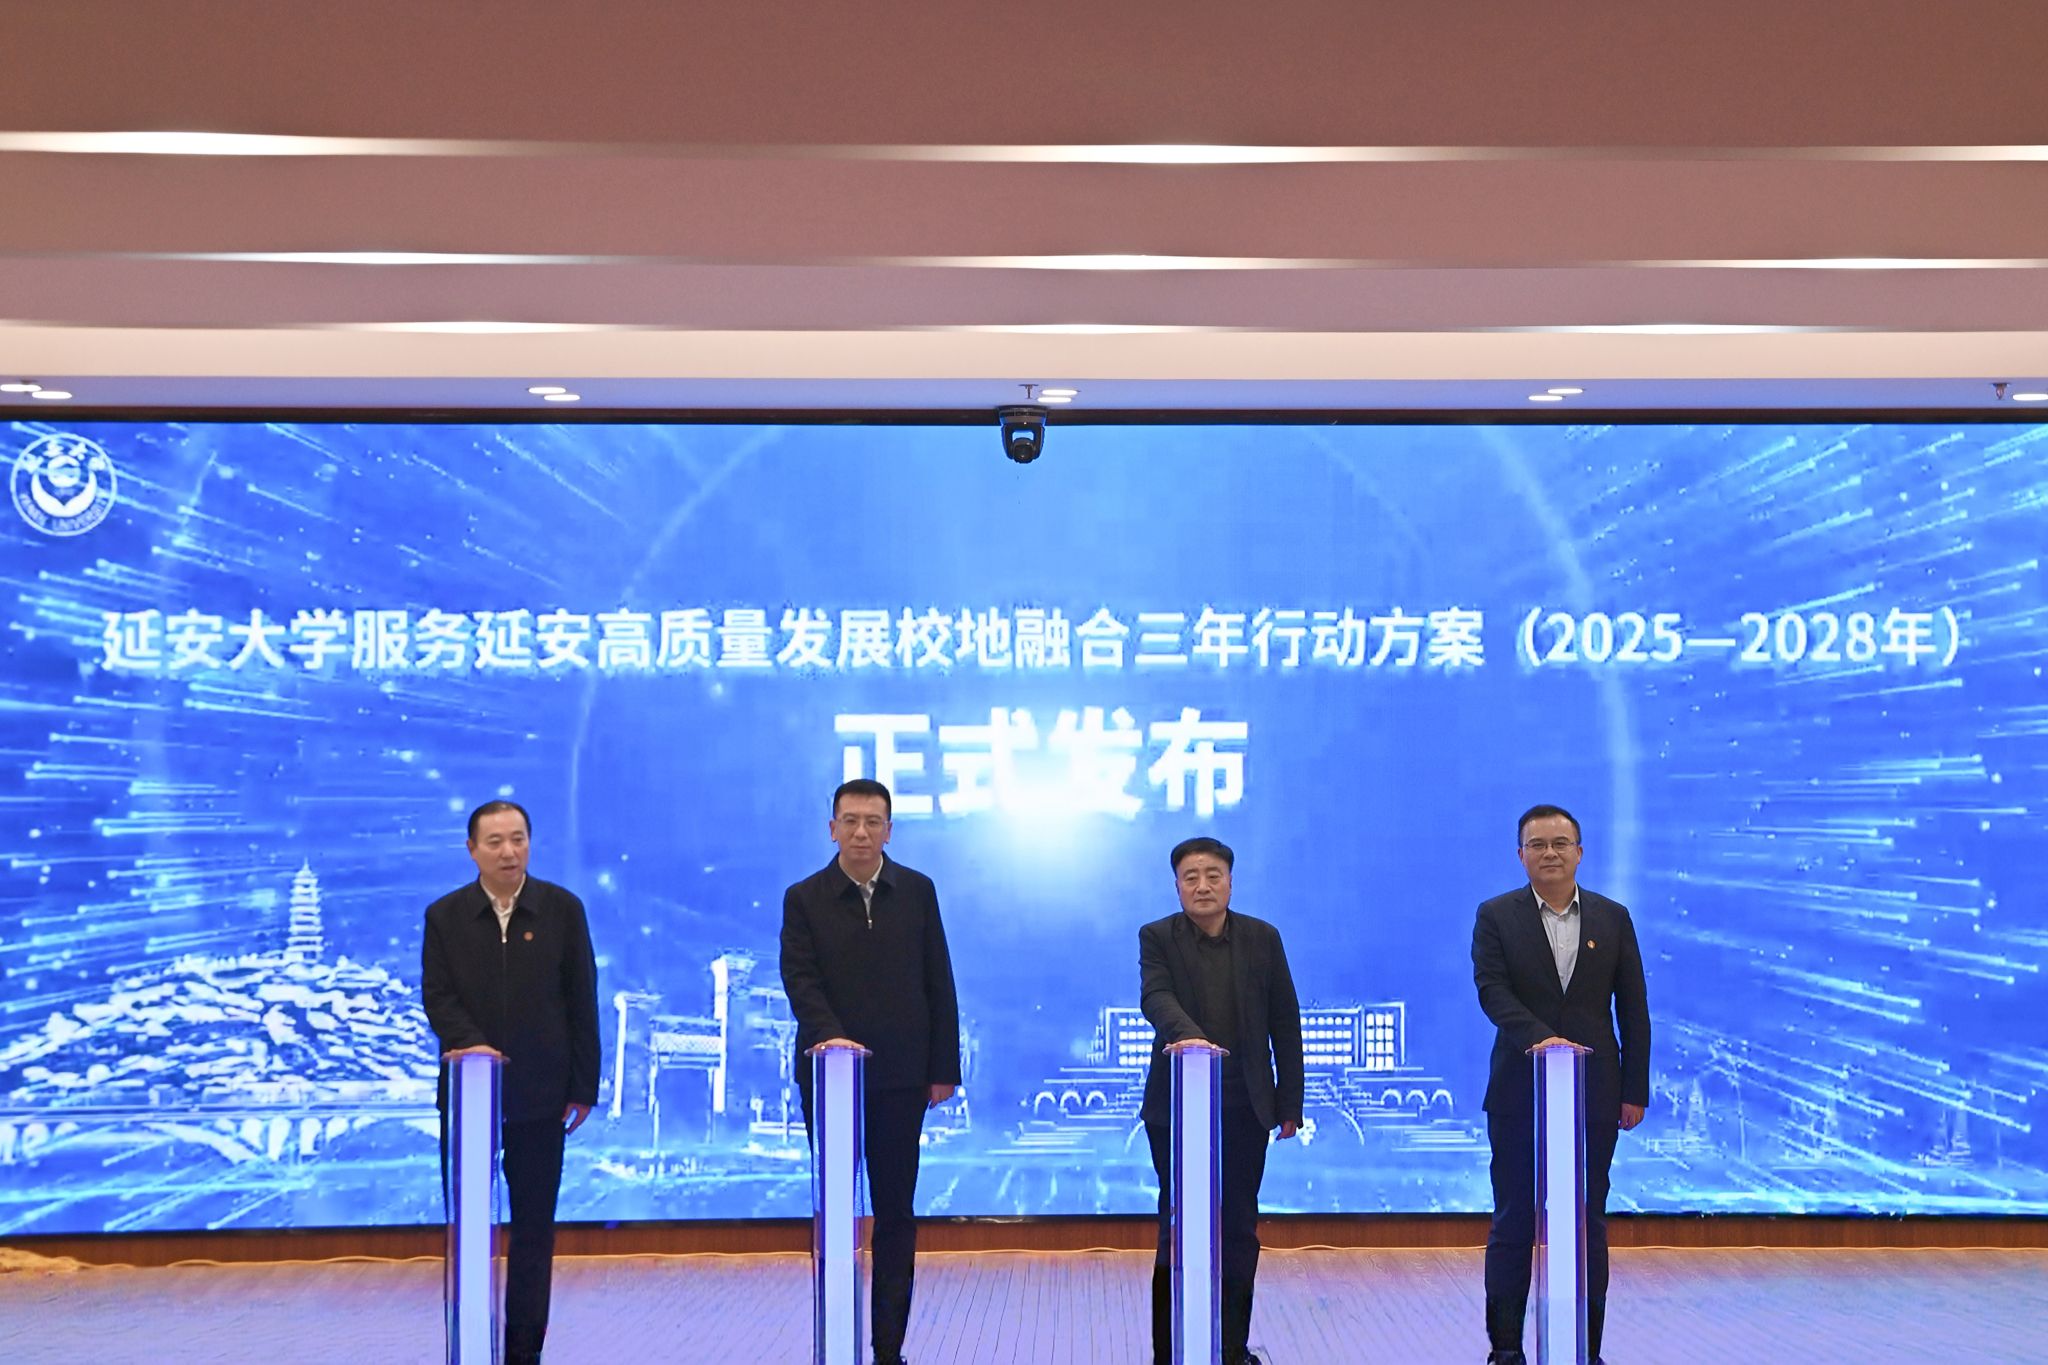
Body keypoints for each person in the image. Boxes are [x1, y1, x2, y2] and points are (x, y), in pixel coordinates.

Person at [779, 778, 962, 1365]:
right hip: (830, 1077)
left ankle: (888, 1349)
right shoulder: (803, 898)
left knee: (895, 1214)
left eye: (873, 822)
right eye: (851, 821)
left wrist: (943, 1067)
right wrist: (830, 1037)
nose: (861, 832)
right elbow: (799, 979)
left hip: (901, 1078)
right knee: (836, 1214)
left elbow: (938, 980)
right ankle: (836, 1341)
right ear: (831, 828)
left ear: (889, 830)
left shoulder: (917, 891)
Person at [1471, 804, 1651, 1365]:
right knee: (1513, 1219)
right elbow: (1492, 991)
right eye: (1537, 844)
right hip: (1518, 1093)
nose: (1549, 853)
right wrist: (1541, 1039)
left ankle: (1585, 1349)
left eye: (1560, 843)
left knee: (1587, 1221)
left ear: (1579, 852)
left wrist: (1634, 1090)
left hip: (1594, 1095)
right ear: (1520, 854)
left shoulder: (1613, 918)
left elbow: (1634, 1008)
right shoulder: (1496, 915)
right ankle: (1505, 1348)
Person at [422, 800, 600, 1365]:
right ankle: (471, 1343)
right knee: (469, 1229)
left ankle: (525, 1352)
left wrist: (584, 1085)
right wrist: (471, 1046)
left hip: (541, 1096)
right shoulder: (445, 916)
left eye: (518, 839)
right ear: (472, 849)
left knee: (533, 1231)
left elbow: (581, 998)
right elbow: (438, 998)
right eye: (495, 841)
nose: (508, 851)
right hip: (469, 1097)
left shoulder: (562, 909)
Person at [1138, 836, 1304, 1365]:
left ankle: (1232, 1347)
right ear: (1177, 886)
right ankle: (1169, 1351)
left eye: (1213, 875)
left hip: (1245, 1108)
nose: (1203, 885)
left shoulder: (1262, 938)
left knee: (1237, 1231)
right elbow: (1155, 996)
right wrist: (1189, 1038)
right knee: (1177, 1228)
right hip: (1176, 1109)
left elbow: (1285, 1021)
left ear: (1230, 882)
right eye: (1191, 877)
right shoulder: (1157, 937)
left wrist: (1290, 1103)